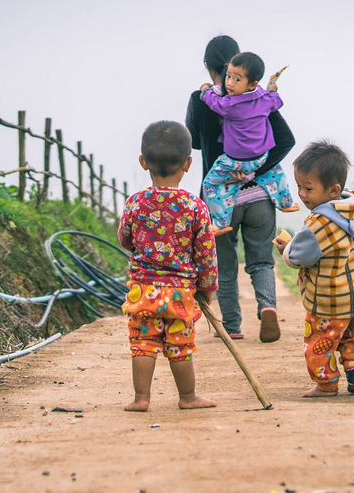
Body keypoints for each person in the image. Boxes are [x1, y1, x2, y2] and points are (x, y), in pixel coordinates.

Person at [186, 35, 295, 342]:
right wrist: (253, 171)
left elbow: (193, 142)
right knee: (261, 260)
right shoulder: (258, 97)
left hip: (221, 199)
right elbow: (286, 140)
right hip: (259, 193)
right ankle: (267, 306)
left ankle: (232, 326)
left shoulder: (202, 98)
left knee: (225, 265)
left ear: (209, 68)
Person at [118, 120, 218, 412]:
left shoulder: (135, 203)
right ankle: (187, 398)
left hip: (143, 290)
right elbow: (206, 253)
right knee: (180, 346)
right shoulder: (195, 206)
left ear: (143, 162)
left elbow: (125, 238)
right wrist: (207, 287)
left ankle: (140, 398)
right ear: (188, 163)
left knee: (143, 343)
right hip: (180, 294)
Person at [274, 140, 354, 397]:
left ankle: (326, 384)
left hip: (328, 302)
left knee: (320, 343)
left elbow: (298, 257)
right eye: (299, 187)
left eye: (308, 188)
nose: (302, 194)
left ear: (333, 189)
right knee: (352, 337)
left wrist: (286, 249)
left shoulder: (319, 222)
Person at [198, 51, 297, 233]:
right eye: (228, 76)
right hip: (261, 157)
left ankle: (220, 222)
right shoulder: (265, 99)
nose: (229, 83)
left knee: (210, 184)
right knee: (275, 170)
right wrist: (272, 86)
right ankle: (286, 202)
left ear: (252, 84)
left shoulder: (230, 104)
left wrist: (204, 91)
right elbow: (276, 99)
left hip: (234, 162)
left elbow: (214, 103)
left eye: (237, 79)